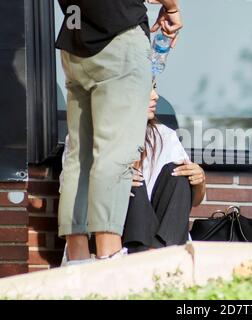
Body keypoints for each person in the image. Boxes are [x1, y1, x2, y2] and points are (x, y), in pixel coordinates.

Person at [55, 0, 183, 264]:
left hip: (74, 40)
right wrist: (171, 8)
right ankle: (108, 257)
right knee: (114, 154)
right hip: (118, 36)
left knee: (81, 156)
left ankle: (77, 259)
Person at [60, 80, 206, 262]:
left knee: (178, 174)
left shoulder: (164, 135)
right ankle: (149, 259)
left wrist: (199, 181)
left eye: (155, 87)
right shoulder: (86, 138)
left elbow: (194, 200)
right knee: (128, 182)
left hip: (160, 238)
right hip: (111, 234)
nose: (155, 96)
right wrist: (112, 184)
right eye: (146, 88)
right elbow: (72, 197)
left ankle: (156, 255)